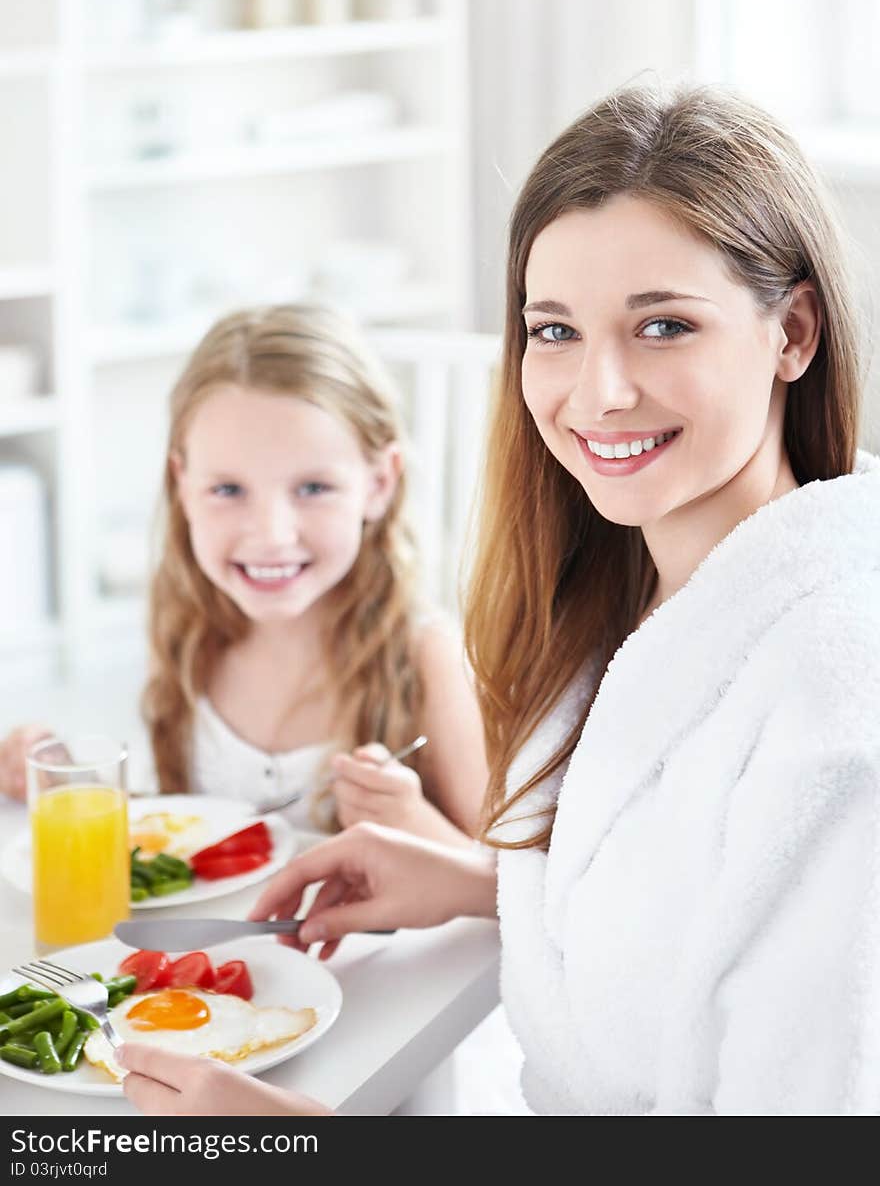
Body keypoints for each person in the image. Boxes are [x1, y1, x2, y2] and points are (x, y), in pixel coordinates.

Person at [120, 79, 880, 1116]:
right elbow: (686, 921)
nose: (598, 389)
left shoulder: (836, 701)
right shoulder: (629, 616)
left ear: (791, 332)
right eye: (554, 330)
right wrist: (483, 882)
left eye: (662, 325)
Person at [0, 305, 486, 846]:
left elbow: (502, 888)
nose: (271, 534)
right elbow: (187, 838)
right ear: (182, 486)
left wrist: (414, 824)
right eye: (228, 490)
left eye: (313, 488)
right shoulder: (190, 630)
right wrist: (72, 784)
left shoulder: (424, 656)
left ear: (378, 483)